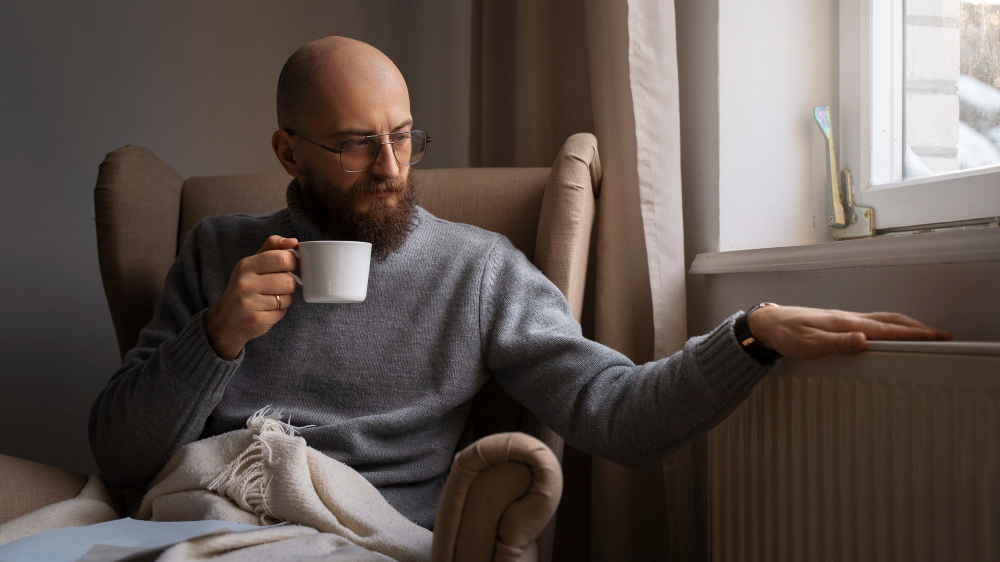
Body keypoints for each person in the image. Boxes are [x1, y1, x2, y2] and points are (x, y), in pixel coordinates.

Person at [88, 36, 952, 529]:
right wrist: (218, 337)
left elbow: (617, 414)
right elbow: (121, 453)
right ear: (288, 152)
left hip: (348, 538)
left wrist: (750, 334)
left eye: (404, 136)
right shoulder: (217, 252)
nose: (391, 169)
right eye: (356, 144)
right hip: (197, 520)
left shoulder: (477, 272)